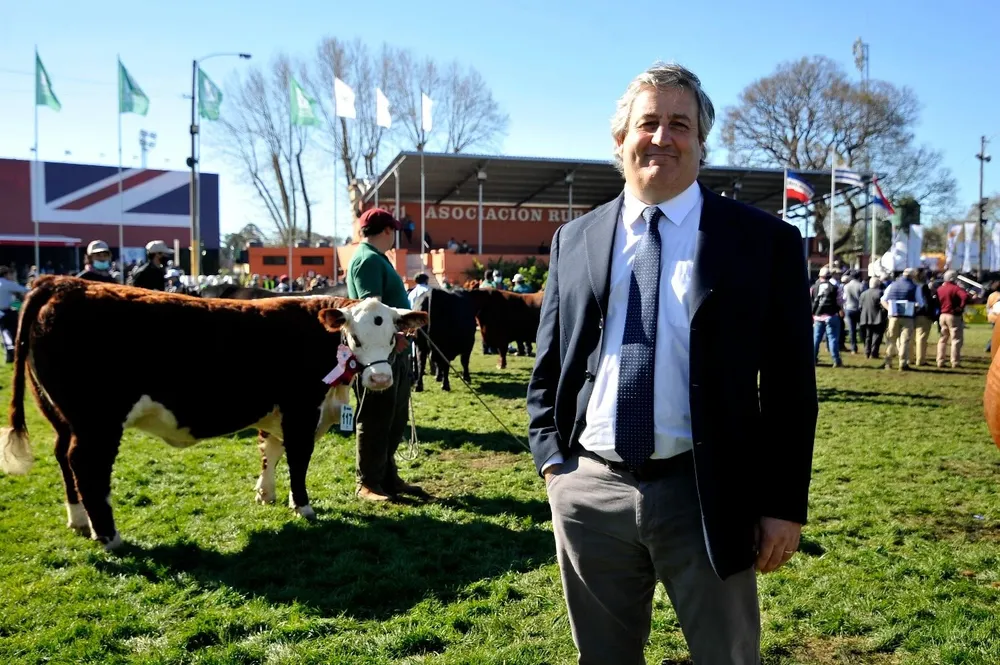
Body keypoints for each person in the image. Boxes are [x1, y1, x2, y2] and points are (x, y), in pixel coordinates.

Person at [527, 62, 817, 665]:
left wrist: (783, 505)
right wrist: (555, 464)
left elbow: (791, 385)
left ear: (702, 144)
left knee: (727, 656)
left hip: (707, 493)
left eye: (679, 124)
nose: (662, 138)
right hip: (591, 491)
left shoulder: (762, 241)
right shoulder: (575, 238)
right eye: (648, 123)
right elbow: (551, 361)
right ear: (620, 139)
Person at [347, 208, 426, 502]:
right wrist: (394, 335)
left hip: (391, 349)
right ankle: (367, 482)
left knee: (394, 417)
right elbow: (370, 311)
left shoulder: (374, 258)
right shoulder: (367, 259)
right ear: (387, 231)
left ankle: (387, 477)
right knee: (376, 416)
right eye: (393, 230)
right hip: (377, 354)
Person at [881, 268, 923, 371]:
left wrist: (889, 309)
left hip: (893, 316)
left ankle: (888, 362)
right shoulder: (915, 287)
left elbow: (883, 300)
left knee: (891, 340)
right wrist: (914, 309)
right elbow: (920, 303)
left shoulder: (892, 285)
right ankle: (903, 363)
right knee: (904, 341)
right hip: (907, 317)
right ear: (913, 276)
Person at [810, 266, 843, 367]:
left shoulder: (813, 288)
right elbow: (840, 301)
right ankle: (836, 360)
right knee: (832, 339)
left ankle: (813, 359)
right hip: (831, 315)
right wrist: (840, 310)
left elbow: (810, 301)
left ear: (820, 276)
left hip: (817, 316)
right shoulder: (835, 288)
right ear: (829, 276)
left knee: (816, 339)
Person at [936, 270, 968, 368]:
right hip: (953, 315)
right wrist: (961, 307)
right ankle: (955, 361)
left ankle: (940, 360)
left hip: (942, 315)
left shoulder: (940, 289)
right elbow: (965, 296)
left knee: (943, 338)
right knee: (956, 339)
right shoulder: (956, 288)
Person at [0, 267, 27, 363]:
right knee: (14, 332)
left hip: (1, 312)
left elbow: (14, 301)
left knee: (4, 333)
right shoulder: (7, 284)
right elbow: (24, 290)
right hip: (7, 312)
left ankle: (9, 355)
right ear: (6, 274)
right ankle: (15, 352)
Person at [859, 276, 887, 359]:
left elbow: (860, 306)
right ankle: (874, 352)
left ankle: (867, 351)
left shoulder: (863, 293)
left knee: (868, 336)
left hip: (866, 317)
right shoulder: (880, 293)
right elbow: (883, 305)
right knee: (877, 336)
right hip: (877, 317)